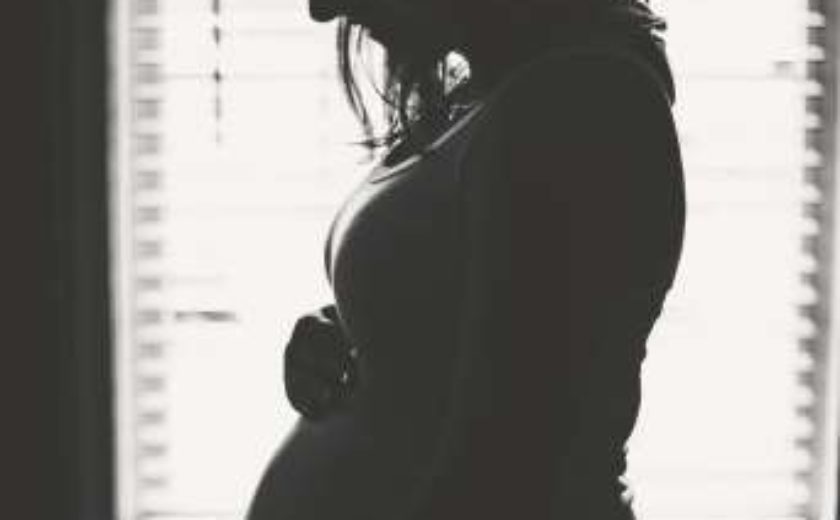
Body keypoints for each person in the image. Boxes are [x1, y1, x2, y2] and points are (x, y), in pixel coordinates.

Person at [246, 0, 685, 518]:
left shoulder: (580, 101)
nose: (321, 10)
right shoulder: (491, 89)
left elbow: (507, 471)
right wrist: (359, 340)